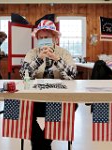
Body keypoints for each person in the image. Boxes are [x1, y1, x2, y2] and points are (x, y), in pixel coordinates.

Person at [19, 20, 77, 150]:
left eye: (47, 37)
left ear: (55, 38)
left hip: (58, 99)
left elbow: (72, 75)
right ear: (37, 39)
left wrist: (56, 58)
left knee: (73, 105)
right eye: (41, 38)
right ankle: (43, 144)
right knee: (22, 107)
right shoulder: (32, 53)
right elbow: (24, 75)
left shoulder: (64, 53)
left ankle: (41, 144)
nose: (44, 40)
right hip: (36, 99)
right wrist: (39, 59)